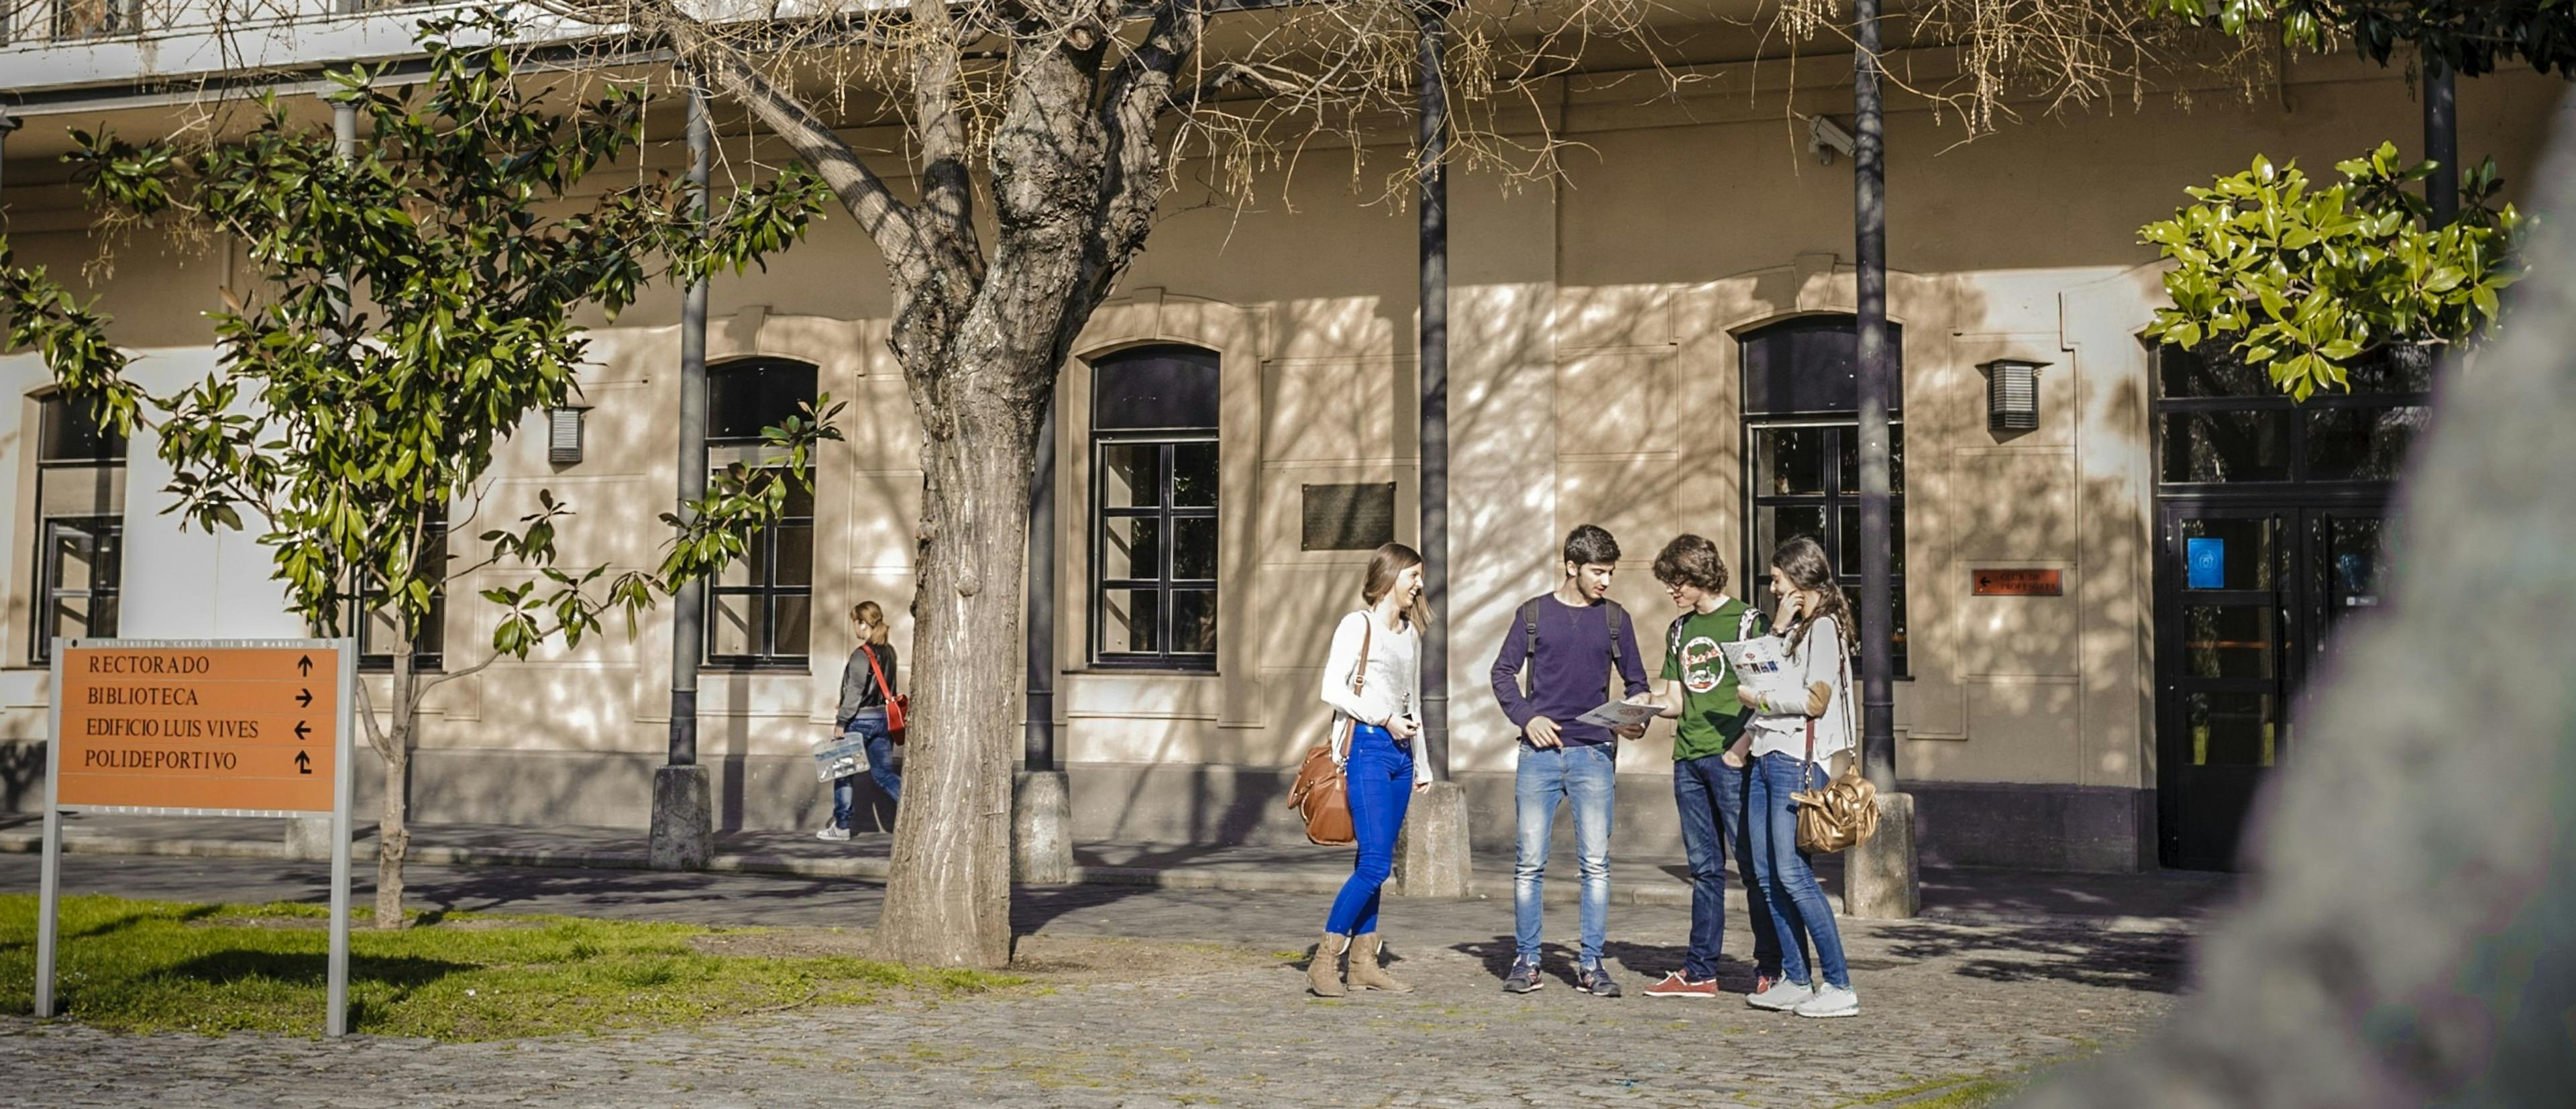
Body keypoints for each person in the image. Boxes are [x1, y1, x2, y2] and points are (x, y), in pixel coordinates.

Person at [1489, 524, 1652, 998]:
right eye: (1598, 571)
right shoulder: (1533, 614)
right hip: (1538, 755)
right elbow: (1502, 673)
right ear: (1571, 566)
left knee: (1596, 865)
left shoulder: (1616, 619)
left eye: (1610, 572)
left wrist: (1635, 717)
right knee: (1529, 863)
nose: (1606, 581)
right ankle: (1527, 959)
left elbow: (1637, 682)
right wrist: (1526, 717)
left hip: (1595, 755)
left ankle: (1591, 964)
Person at [1627, 534, 1779, 1000]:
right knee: (1705, 869)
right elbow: (1675, 700)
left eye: (1676, 581)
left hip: (1733, 759)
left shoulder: (1749, 622)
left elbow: (1771, 698)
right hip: (1689, 759)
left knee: (1754, 868)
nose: (1671, 590)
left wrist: (1740, 748)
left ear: (1698, 574)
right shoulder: (1679, 631)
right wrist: (1642, 707)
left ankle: (1774, 965)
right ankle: (1700, 971)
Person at [1307, 543, 1437, 998]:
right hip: (1367, 746)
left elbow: (1413, 702)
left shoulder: (1410, 635)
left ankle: (1364, 963)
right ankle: (1326, 960)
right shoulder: (1356, 625)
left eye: (1421, 576)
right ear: (1391, 575)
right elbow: (1332, 687)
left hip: (1401, 754)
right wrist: (1383, 719)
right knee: (1377, 863)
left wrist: (1422, 762)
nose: (1419, 584)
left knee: (1373, 861)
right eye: (1413, 576)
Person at [1737, 536, 1860, 1018]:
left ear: (1800, 580)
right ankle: (1794, 975)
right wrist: (1780, 625)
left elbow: (1815, 700)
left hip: (1795, 760)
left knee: (1793, 874)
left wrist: (1760, 701)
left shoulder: (1825, 629)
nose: (1772, 587)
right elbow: (1761, 669)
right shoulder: (1796, 628)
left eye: (1777, 580)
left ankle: (1839, 983)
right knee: (1768, 875)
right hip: (1767, 754)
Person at [819, 601, 902, 841]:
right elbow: (883, 687)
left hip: (860, 720)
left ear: (863, 623)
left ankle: (842, 827)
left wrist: (842, 720)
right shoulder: (890, 652)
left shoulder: (861, 654)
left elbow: (856, 690)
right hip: (883, 720)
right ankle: (916, 811)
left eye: (855, 622)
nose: (854, 627)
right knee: (884, 774)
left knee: (843, 772)